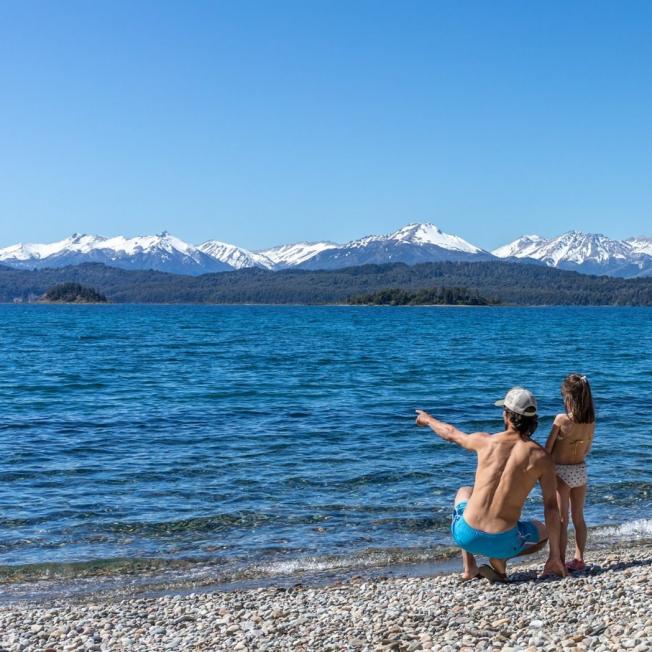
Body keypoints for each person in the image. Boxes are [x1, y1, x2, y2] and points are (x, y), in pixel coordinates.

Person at [416, 387, 566, 582]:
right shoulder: (541, 457)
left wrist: (427, 419)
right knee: (542, 531)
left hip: (465, 535)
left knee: (464, 491)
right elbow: (552, 508)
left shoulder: (485, 441)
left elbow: (451, 434)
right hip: (504, 542)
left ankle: (469, 568)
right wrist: (554, 556)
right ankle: (500, 558)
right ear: (532, 420)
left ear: (506, 415)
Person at [545, 374, 596, 571]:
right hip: (580, 471)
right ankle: (579, 558)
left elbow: (547, 449)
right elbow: (587, 449)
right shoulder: (590, 421)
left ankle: (560, 560)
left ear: (568, 398)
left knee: (562, 520)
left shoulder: (561, 419)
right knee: (578, 517)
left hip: (562, 473)